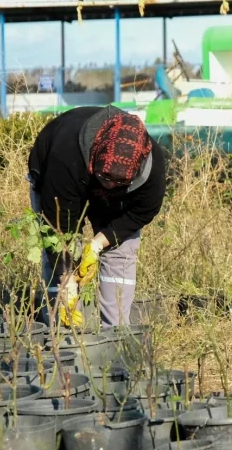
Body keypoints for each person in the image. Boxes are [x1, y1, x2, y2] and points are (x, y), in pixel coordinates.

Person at [28, 106, 166, 328]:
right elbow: (57, 227)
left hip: (115, 192)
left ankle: (116, 336)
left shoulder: (152, 170)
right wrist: (67, 278)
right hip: (60, 180)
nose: (110, 185)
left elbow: (141, 212)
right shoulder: (65, 156)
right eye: (105, 177)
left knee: (120, 253)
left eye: (118, 182)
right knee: (57, 256)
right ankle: (61, 335)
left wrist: (97, 243)